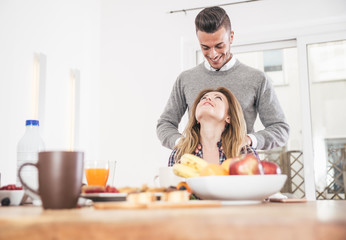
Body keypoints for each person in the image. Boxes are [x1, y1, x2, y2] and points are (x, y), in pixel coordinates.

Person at [157, 6, 289, 151]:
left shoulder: (257, 79)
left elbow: (280, 129)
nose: (213, 54)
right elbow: (165, 124)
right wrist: (181, 142)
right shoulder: (185, 79)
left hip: (240, 168)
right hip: (197, 168)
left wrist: (249, 140)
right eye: (205, 47)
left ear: (231, 37)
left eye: (219, 46)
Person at [168, 87, 257, 166]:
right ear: (197, 118)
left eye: (218, 98)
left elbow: (255, 184)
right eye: (203, 98)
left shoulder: (244, 152)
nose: (208, 98)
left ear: (228, 117)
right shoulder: (179, 154)